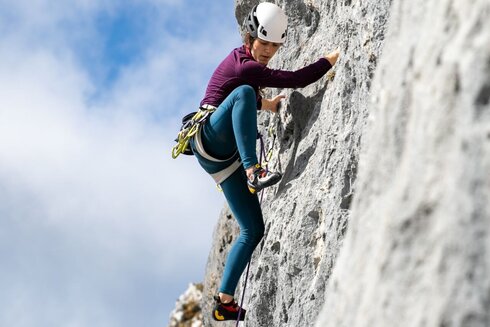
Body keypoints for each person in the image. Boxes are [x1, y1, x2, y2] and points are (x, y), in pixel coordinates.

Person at [188, 2, 339, 321]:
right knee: (244, 91)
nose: (269, 51)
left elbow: (237, 94)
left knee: (252, 229)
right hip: (211, 137)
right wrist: (330, 60)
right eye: (264, 43)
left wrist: (265, 104)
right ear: (250, 38)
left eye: (275, 45)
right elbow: (296, 79)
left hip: (220, 158)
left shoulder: (244, 62)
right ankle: (253, 169)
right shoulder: (245, 67)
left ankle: (224, 302)